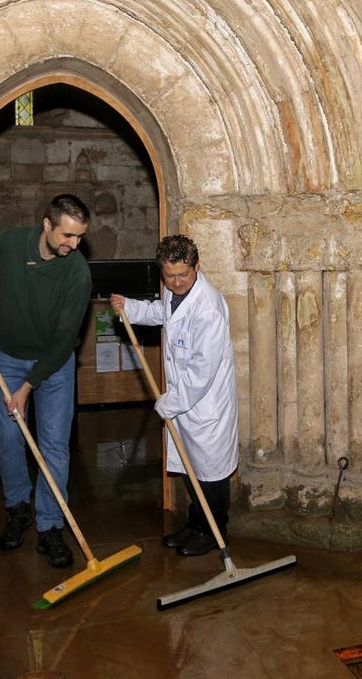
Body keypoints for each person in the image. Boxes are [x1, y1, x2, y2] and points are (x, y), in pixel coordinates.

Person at [0, 193, 93, 569]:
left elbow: (65, 341)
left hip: (53, 365)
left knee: (53, 445)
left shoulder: (77, 272)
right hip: (5, 357)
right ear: (47, 225)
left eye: (80, 237)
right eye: (67, 236)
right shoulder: (10, 243)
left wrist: (28, 387)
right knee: (7, 438)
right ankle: (18, 509)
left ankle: (51, 527)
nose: (74, 244)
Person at [111, 234, 238, 557]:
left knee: (210, 473)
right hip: (185, 401)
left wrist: (169, 403)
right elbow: (163, 313)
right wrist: (131, 308)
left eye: (184, 274)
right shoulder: (174, 293)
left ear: (197, 267)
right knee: (189, 466)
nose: (177, 282)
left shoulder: (208, 309)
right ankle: (196, 525)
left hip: (205, 403)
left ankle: (213, 532)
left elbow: (201, 372)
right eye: (170, 276)